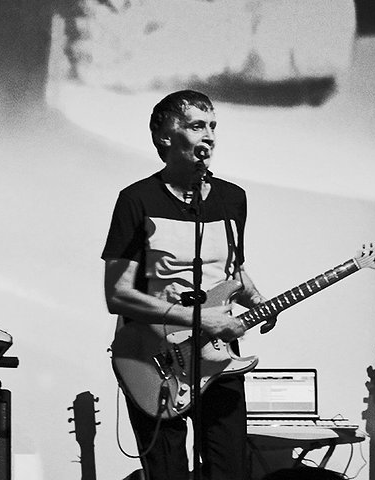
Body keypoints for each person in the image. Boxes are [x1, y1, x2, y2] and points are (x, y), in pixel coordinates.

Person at [102, 90, 276, 479]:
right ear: (165, 136)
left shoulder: (233, 199)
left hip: (220, 356)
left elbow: (232, 271)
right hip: (155, 358)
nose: (209, 135)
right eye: (197, 126)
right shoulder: (137, 200)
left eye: (213, 126)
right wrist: (200, 319)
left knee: (230, 470)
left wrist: (257, 299)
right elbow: (118, 294)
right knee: (168, 472)